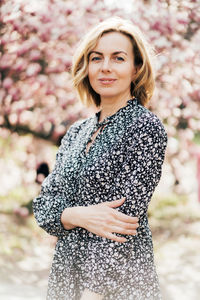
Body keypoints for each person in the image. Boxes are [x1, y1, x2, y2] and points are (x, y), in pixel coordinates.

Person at [33, 17, 167, 300]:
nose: (105, 67)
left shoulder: (144, 127)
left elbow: (122, 224)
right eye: (97, 58)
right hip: (65, 279)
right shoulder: (75, 133)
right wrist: (76, 214)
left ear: (136, 68)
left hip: (117, 285)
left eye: (118, 58)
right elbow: (44, 207)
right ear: (87, 66)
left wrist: (93, 293)